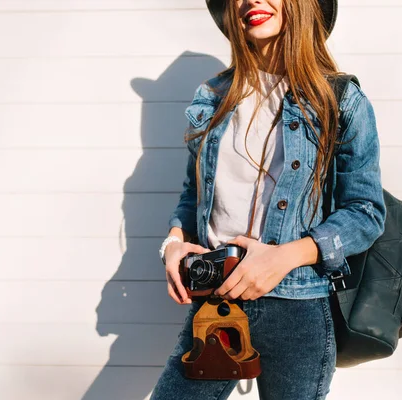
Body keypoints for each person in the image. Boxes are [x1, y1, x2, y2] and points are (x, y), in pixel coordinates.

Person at [152, 0, 386, 399]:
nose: (251, 1)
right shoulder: (212, 96)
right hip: (216, 302)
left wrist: (284, 257)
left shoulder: (339, 99)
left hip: (298, 308)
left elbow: (366, 212)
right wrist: (173, 243)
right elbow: (195, 193)